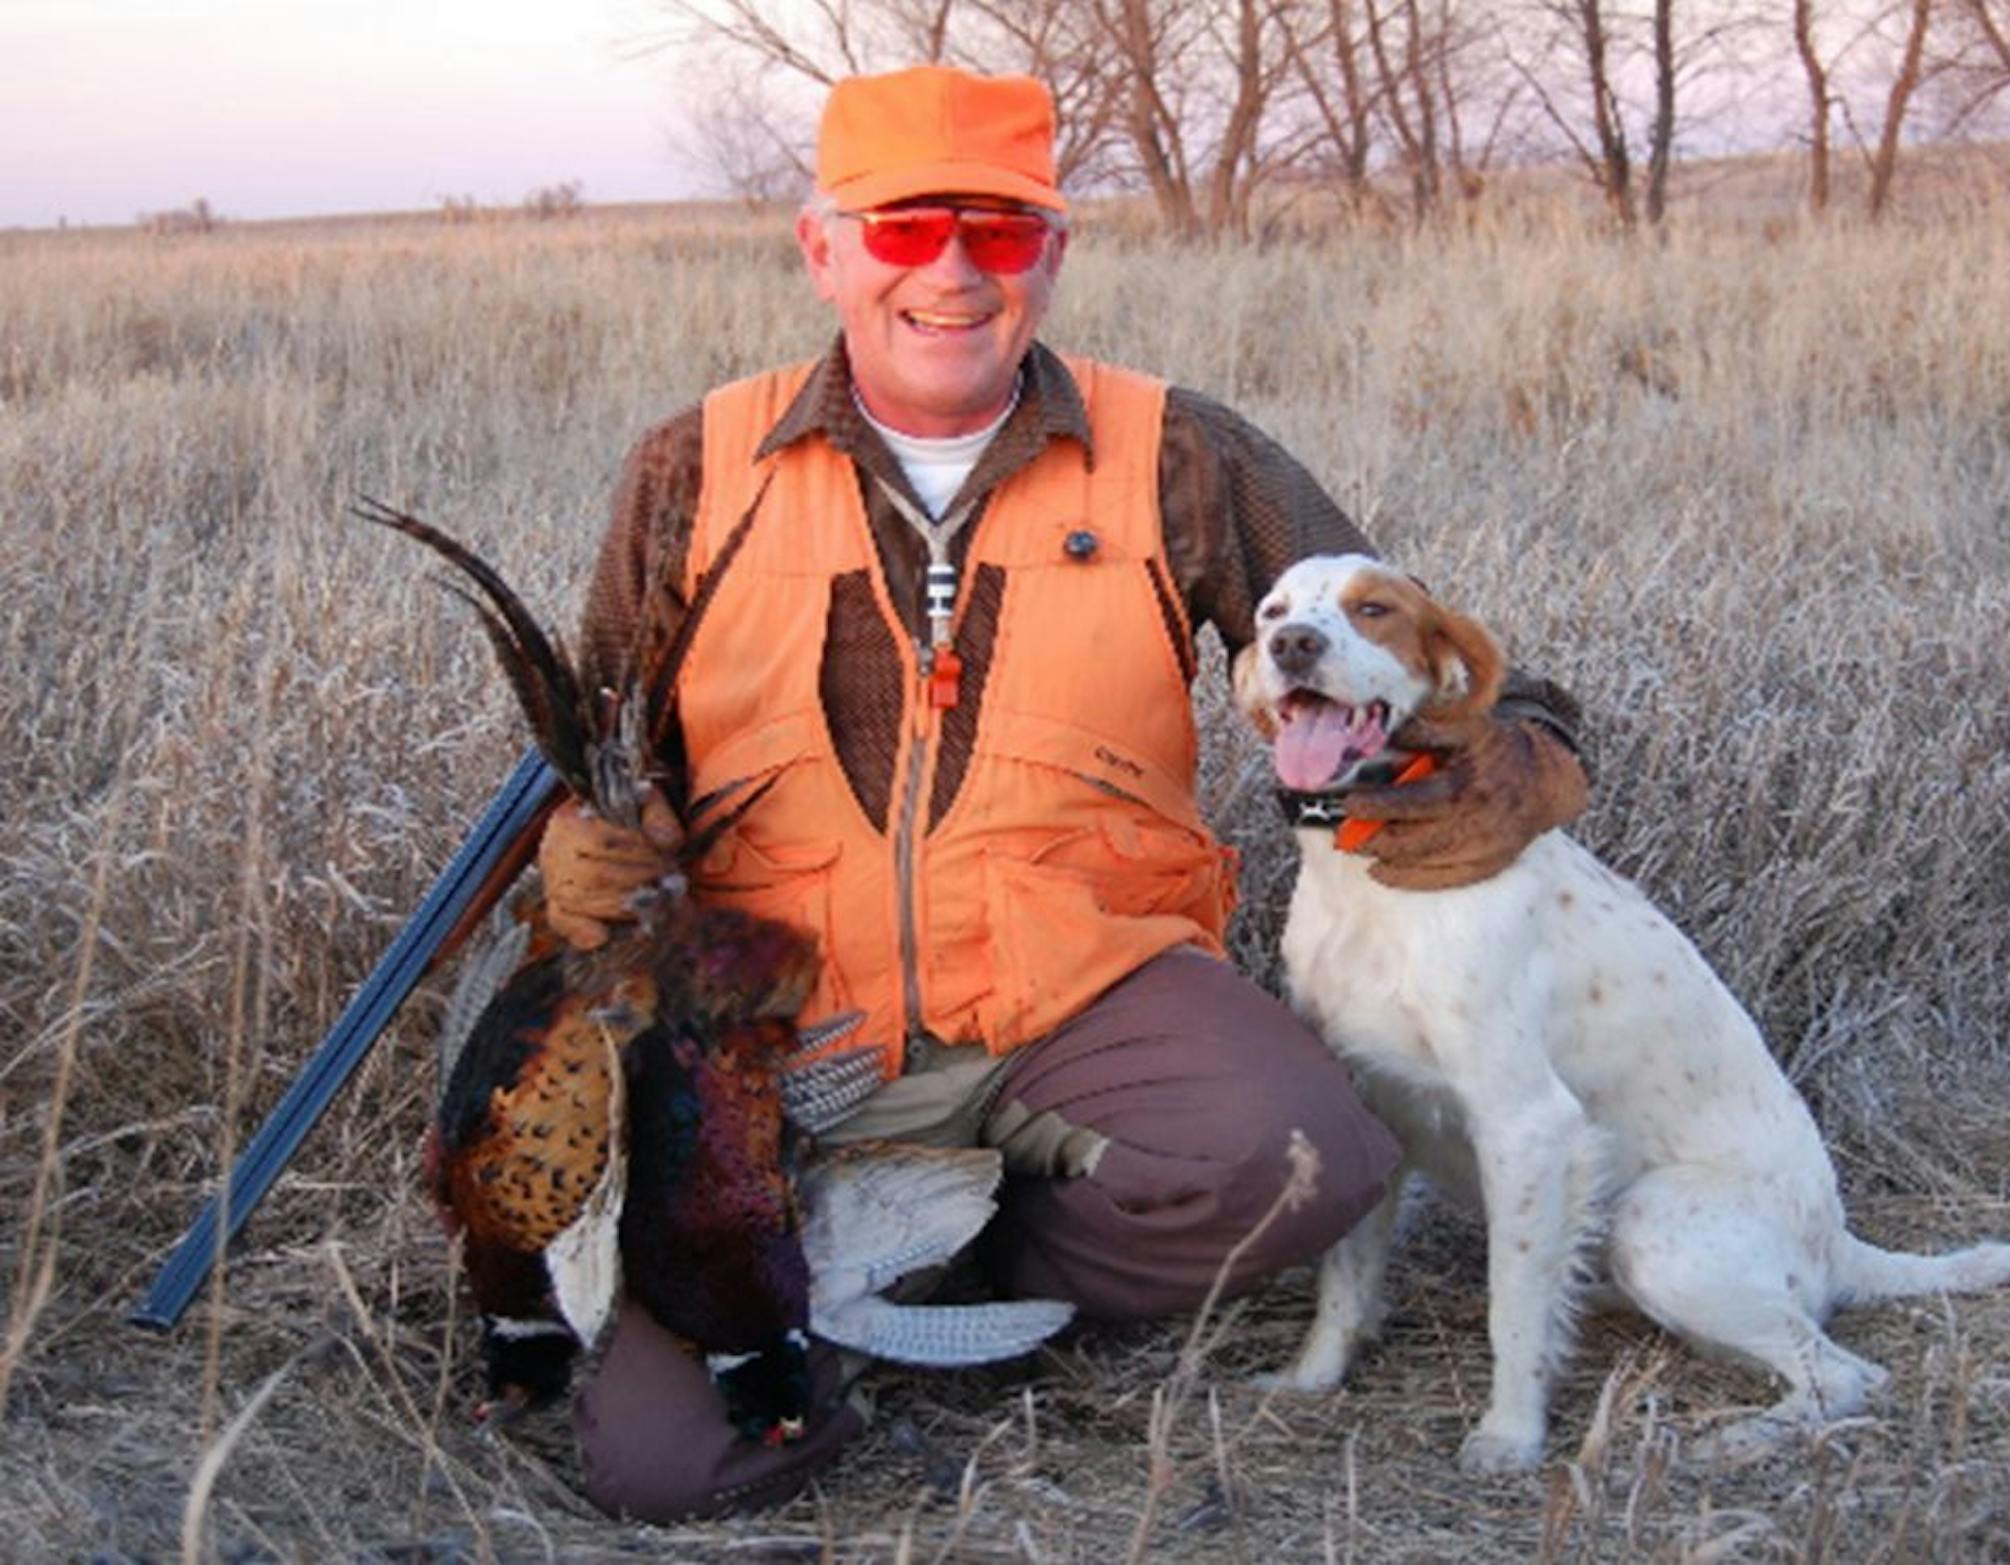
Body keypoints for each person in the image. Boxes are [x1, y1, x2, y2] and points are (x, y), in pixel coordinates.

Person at [536, 64, 1590, 1520]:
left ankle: (969, 1253)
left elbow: (1417, 647)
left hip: (1080, 986)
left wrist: (1517, 768)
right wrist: (580, 844)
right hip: (782, 1020)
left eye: (1000, 229)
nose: (955, 272)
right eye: (906, 229)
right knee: (666, 1462)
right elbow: (588, 751)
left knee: (1309, 1160)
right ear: (823, 247)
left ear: (1056, 250)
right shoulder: (694, 470)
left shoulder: (1181, 457)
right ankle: (823, 1262)